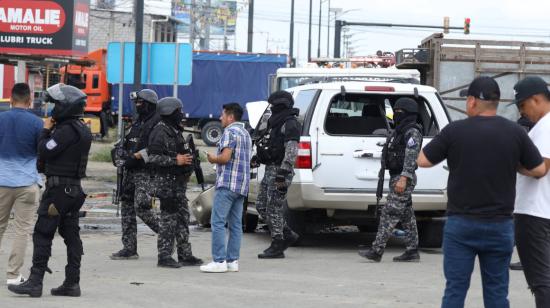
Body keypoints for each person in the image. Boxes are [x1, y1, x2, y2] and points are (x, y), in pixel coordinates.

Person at [416, 76, 546, 308]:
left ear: (472, 101)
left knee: (455, 290)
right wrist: (513, 163)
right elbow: (538, 169)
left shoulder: (455, 131)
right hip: (500, 226)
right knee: (496, 292)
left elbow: (423, 160)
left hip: (461, 225)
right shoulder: (515, 132)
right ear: (496, 103)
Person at [8, 83, 92, 297]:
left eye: (56, 105)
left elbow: (45, 149)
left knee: (42, 233)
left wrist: (46, 129)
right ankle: (72, 282)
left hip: (58, 192)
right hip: (73, 191)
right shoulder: (81, 128)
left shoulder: (65, 131)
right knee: (71, 234)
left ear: (67, 107)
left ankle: (35, 282)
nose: (53, 109)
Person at [358, 97, 423, 262]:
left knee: (389, 213)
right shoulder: (400, 131)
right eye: (395, 112)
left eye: (400, 112)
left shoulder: (412, 132)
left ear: (409, 113)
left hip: (403, 177)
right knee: (407, 215)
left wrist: (404, 177)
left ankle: (376, 250)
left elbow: (411, 156)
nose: (396, 115)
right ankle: (412, 250)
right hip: (397, 176)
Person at [143, 97, 202, 268]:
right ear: (169, 112)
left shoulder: (174, 130)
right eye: (178, 111)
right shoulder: (159, 132)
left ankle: (185, 254)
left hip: (178, 184)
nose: (181, 115)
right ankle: (164, 256)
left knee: (183, 218)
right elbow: (152, 157)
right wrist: (176, 160)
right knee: (168, 220)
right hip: (166, 184)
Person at [511, 76, 550, 307]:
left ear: (536, 99)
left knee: (541, 281)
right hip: (542, 209)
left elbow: (541, 168)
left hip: (535, 212)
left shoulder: (546, 126)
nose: (522, 112)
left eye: (522, 105)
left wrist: (511, 162)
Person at [0, 83, 43, 286]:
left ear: (10, 99)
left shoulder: (0, 119)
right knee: (22, 230)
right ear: (29, 100)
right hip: (27, 183)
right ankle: (13, 275)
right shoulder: (37, 123)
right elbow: (42, 154)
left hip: (1, 182)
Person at [201, 103, 252, 273]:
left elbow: (225, 158)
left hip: (227, 184)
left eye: (223, 115)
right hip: (242, 186)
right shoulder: (246, 133)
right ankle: (232, 261)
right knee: (236, 224)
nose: (220, 118)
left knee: (217, 222)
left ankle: (219, 261)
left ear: (230, 117)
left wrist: (212, 158)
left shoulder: (230, 132)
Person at [110, 89, 161, 260]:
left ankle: (167, 233)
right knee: (127, 207)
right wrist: (118, 152)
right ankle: (129, 248)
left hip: (146, 172)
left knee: (141, 206)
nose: (138, 105)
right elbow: (127, 142)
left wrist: (137, 156)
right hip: (130, 171)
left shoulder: (157, 122)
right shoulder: (138, 121)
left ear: (149, 104)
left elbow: (156, 148)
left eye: (141, 103)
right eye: (136, 103)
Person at [254, 91, 301, 259]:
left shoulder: (290, 123)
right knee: (261, 205)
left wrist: (283, 172)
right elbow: (269, 143)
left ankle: (277, 245)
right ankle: (287, 233)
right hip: (270, 169)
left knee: (274, 207)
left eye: (274, 105)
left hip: (280, 171)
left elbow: (291, 149)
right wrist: (258, 157)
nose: (272, 108)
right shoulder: (275, 122)